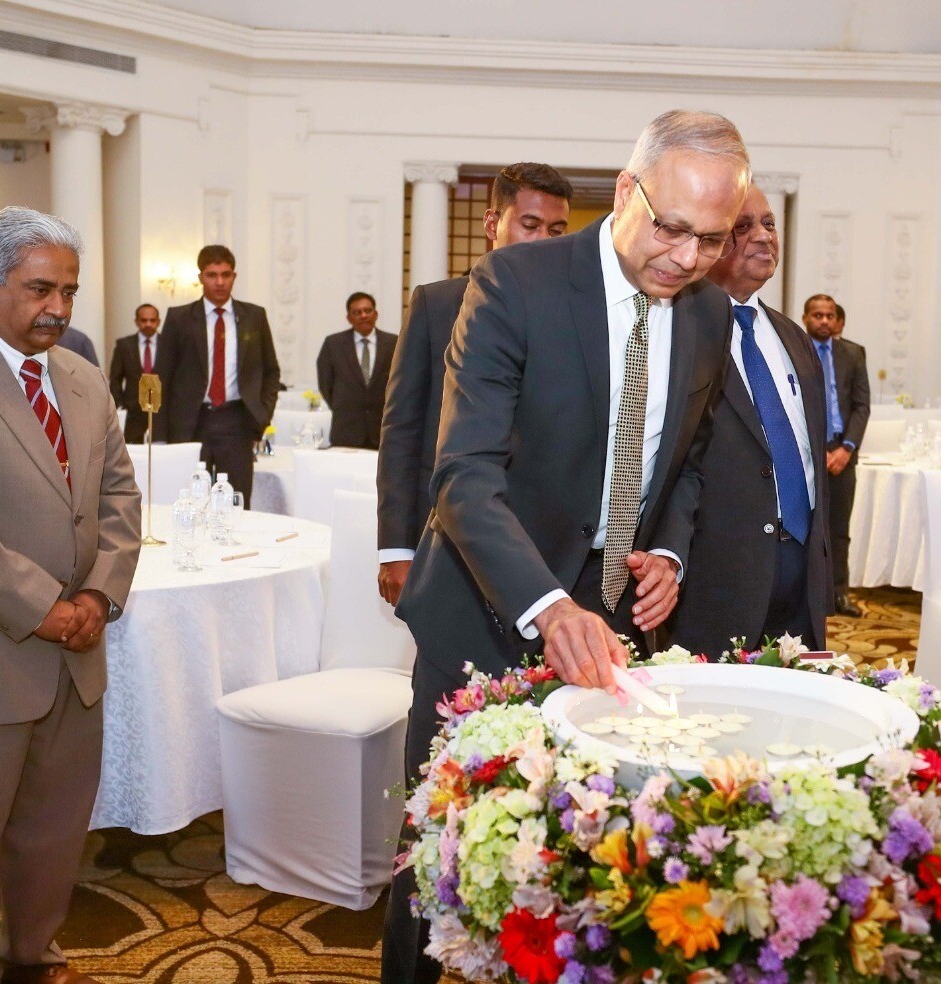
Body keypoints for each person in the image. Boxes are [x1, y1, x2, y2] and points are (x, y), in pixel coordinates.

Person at [381, 109, 750, 984]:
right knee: (439, 851)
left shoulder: (709, 314)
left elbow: (687, 459)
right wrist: (548, 607)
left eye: (712, 240)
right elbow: (463, 473)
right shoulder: (516, 282)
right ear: (625, 192)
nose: (687, 258)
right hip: (486, 610)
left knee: (580, 853)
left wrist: (668, 552)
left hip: (612, 626)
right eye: (671, 228)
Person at [0, 206, 141, 984]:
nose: (59, 308)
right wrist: (40, 605)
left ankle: (32, 954)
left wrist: (98, 598)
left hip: (78, 652)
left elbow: (119, 498)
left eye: (68, 291)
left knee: (53, 826)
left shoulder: (82, 377)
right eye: (41, 289)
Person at [377, 162, 573, 607]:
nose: (544, 241)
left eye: (557, 230)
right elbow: (402, 430)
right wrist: (396, 549)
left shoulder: (577, 318)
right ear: (492, 224)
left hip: (546, 547)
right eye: (530, 225)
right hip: (447, 536)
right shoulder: (435, 304)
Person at [667, 184, 832, 657]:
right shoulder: (676, 331)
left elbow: (809, 456)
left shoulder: (793, 337)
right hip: (715, 578)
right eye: (743, 226)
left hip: (801, 572)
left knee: (796, 699)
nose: (763, 236)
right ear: (708, 240)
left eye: (769, 223)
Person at [154, 245, 280, 506]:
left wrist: (262, 413)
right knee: (188, 502)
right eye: (212, 275)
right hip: (189, 422)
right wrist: (160, 435)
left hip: (237, 422)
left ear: (234, 276)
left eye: (226, 274)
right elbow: (161, 377)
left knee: (235, 502)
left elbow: (271, 371)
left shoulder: (254, 316)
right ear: (200, 277)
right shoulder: (179, 318)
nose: (220, 282)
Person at [803, 293, 870, 617]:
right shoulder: (795, 349)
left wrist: (847, 448)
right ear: (806, 319)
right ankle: (805, 596)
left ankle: (839, 594)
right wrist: (819, 450)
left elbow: (861, 406)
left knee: (839, 529)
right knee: (805, 526)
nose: (824, 321)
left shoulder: (853, 353)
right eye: (818, 315)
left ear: (837, 320)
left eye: (829, 315)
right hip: (807, 452)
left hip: (844, 453)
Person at [315, 292, 396, 448]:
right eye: (357, 312)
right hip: (346, 431)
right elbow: (325, 384)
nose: (363, 315)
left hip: (384, 431)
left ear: (376, 314)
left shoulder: (394, 343)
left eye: (368, 311)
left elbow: (401, 383)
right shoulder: (333, 344)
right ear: (349, 318)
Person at [108, 303, 160, 443]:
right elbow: (115, 379)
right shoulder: (124, 345)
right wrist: (120, 405)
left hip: (161, 412)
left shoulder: (168, 344)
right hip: (132, 412)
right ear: (136, 321)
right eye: (144, 320)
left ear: (158, 322)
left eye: (152, 320)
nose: (148, 324)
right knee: (132, 451)